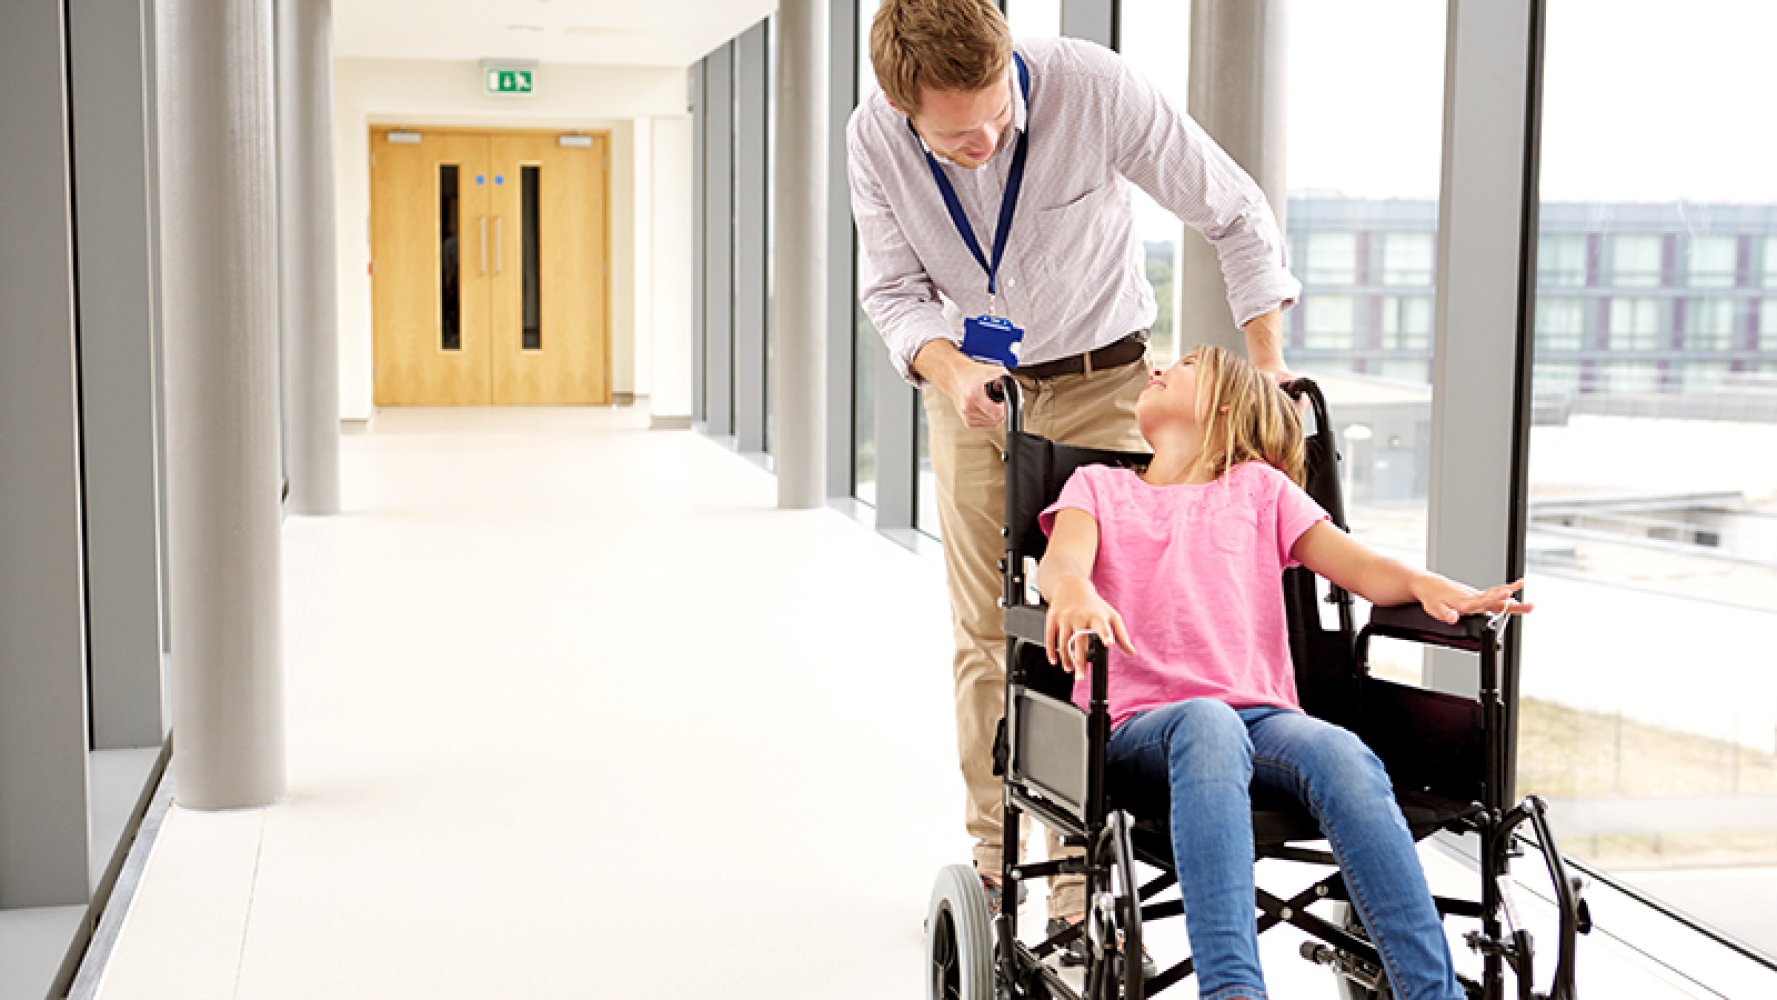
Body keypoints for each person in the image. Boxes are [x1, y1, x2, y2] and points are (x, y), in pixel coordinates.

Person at [848, 0, 1302, 931]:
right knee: (989, 630)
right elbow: (893, 291)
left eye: (994, 122)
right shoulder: (873, 139)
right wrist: (949, 367)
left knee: (1122, 617)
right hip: (977, 396)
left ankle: (1090, 860)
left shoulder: (1092, 86)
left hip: (1109, 384)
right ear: (903, 111)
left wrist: (1263, 370)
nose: (980, 145)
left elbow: (1233, 210)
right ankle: (997, 850)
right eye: (952, 140)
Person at [1037, 345, 1530, 1000]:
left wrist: (1424, 583)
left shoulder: (1260, 491)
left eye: (1183, 364)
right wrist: (1072, 590)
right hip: (1138, 726)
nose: (1157, 366)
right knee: (1206, 722)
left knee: (1340, 752)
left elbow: (1359, 567)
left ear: (1222, 405)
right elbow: (1062, 562)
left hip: (1263, 720)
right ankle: (1233, 991)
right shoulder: (1099, 486)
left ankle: (1430, 994)